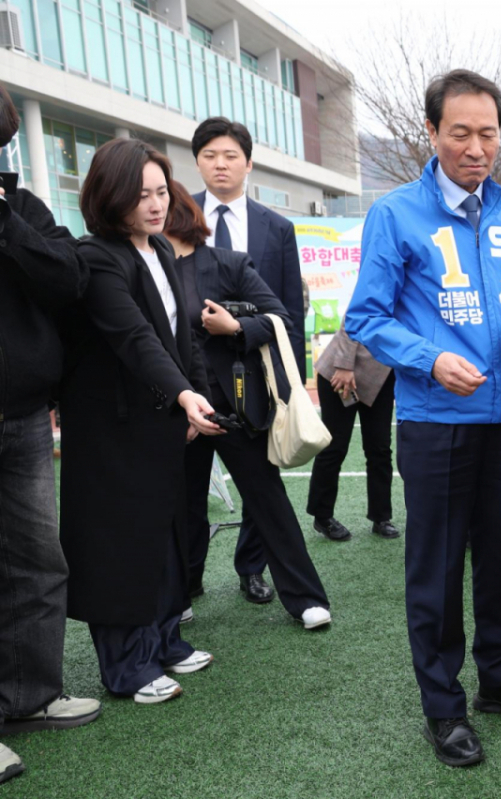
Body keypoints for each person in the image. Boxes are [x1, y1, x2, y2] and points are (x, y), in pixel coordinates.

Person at [345, 69, 501, 768]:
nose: (476, 147)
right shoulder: (395, 213)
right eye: (461, 132)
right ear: (432, 132)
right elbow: (365, 317)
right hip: (437, 419)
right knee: (436, 570)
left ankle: (500, 679)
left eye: (488, 133)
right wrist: (429, 360)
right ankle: (444, 706)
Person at [59, 138, 222, 705]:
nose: (156, 205)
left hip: (158, 419)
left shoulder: (159, 250)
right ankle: (126, 668)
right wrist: (181, 394)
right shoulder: (97, 257)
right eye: (141, 195)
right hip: (111, 427)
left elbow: (182, 339)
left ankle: (165, 639)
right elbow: (134, 338)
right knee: (120, 542)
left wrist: (196, 395)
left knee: (164, 531)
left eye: (160, 191)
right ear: (110, 196)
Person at [165, 181, 332, 630]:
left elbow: (280, 316)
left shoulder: (227, 262)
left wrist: (235, 325)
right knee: (182, 506)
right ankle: (182, 591)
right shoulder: (143, 269)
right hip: (177, 410)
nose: (151, 208)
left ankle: (305, 598)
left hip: (236, 407)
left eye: (159, 198)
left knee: (267, 500)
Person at [0, 84, 99, 784]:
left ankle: (30, 696)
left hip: (27, 417)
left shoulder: (24, 208)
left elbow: (67, 280)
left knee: (39, 561)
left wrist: (5, 223)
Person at [192, 116, 305, 606]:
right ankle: (186, 580)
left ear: (248, 163)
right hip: (191, 373)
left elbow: (288, 310)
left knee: (264, 477)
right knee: (186, 483)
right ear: (197, 162)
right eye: (210, 155)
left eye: (230, 155)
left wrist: (291, 382)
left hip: (254, 369)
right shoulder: (176, 217)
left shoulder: (276, 227)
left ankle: (251, 567)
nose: (220, 164)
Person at [306, 319, 398, 541]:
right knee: (334, 447)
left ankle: (381, 517)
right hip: (340, 373)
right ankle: (322, 516)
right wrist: (345, 366)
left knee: (380, 448)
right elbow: (352, 320)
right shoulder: (380, 285)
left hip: (381, 377)